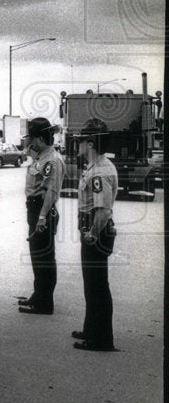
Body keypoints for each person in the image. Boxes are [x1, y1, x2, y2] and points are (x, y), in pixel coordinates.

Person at [72, 119, 118, 351]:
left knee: (97, 286)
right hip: (92, 229)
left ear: (90, 144)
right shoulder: (94, 167)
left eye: (81, 141)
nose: (78, 145)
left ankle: (101, 339)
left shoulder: (99, 172)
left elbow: (103, 209)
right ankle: (92, 330)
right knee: (92, 285)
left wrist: (91, 233)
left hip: (96, 232)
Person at [18, 117, 65, 315]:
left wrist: (42, 218)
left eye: (31, 137)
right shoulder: (40, 155)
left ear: (39, 138)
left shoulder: (51, 160)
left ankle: (45, 303)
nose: (29, 142)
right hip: (35, 210)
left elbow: (51, 192)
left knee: (44, 258)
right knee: (38, 257)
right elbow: (26, 149)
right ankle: (39, 295)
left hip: (42, 211)